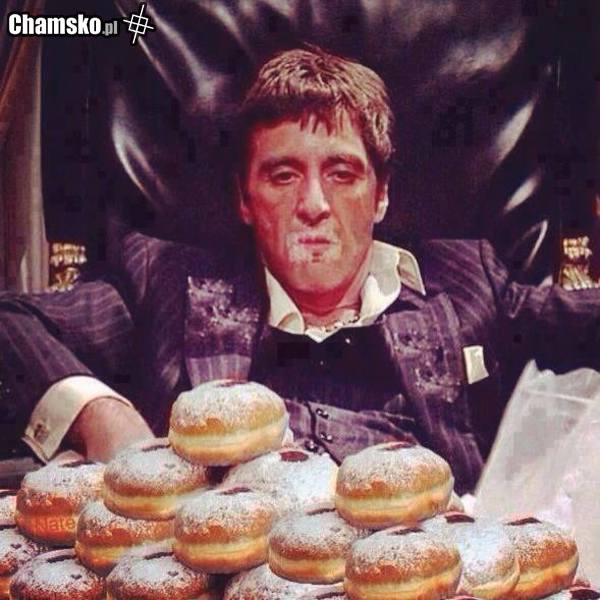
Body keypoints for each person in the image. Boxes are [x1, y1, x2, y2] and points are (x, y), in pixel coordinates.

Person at [0, 47, 598, 494]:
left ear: (381, 194)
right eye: (283, 175)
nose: (313, 204)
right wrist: (103, 418)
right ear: (245, 198)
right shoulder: (165, 282)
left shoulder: (467, 284)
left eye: (342, 174)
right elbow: (11, 325)